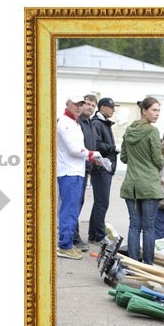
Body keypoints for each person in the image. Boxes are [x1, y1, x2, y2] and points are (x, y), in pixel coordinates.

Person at [56, 95, 102, 260]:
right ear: (67, 104)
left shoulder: (72, 123)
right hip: (69, 172)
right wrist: (92, 154)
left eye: (80, 104)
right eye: (76, 104)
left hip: (74, 171)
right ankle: (64, 245)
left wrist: (90, 156)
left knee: (72, 209)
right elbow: (74, 149)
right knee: (69, 210)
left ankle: (66, 243)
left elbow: (77, 149)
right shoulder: (65, 123)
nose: (79, 107)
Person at [119, 97, 164, 265]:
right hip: (149, 185)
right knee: (149, 227)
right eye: (154, 110)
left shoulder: (128, 131)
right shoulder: (152, 131)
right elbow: (158, 159)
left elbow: (123, 158)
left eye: (158, 110)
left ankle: (132, 263)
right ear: (143, 111)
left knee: (134, 226)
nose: (157, 114)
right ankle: (147, 264)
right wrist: (157, 165)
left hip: (131, 184)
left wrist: (136, 159)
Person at [88, 97, 120, 246]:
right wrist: (113, 148)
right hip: (101, 168)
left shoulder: (103, 123)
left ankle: (94, 234)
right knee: (102, 203)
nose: (113, 110)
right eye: (111, 107)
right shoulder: (97, 123)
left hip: (105, 168)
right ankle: (99, 236)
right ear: (102, 108)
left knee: (100, 203)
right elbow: (97, 145)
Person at [72, 93, 97, 251]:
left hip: (86, 169)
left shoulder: (90, 124)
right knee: (73, 204)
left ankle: (72, 236)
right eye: (88, 104)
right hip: (74, 169)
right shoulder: (76, 123)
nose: (90, 107)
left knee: (78, 203)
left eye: (93, 105)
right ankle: (72, 238)